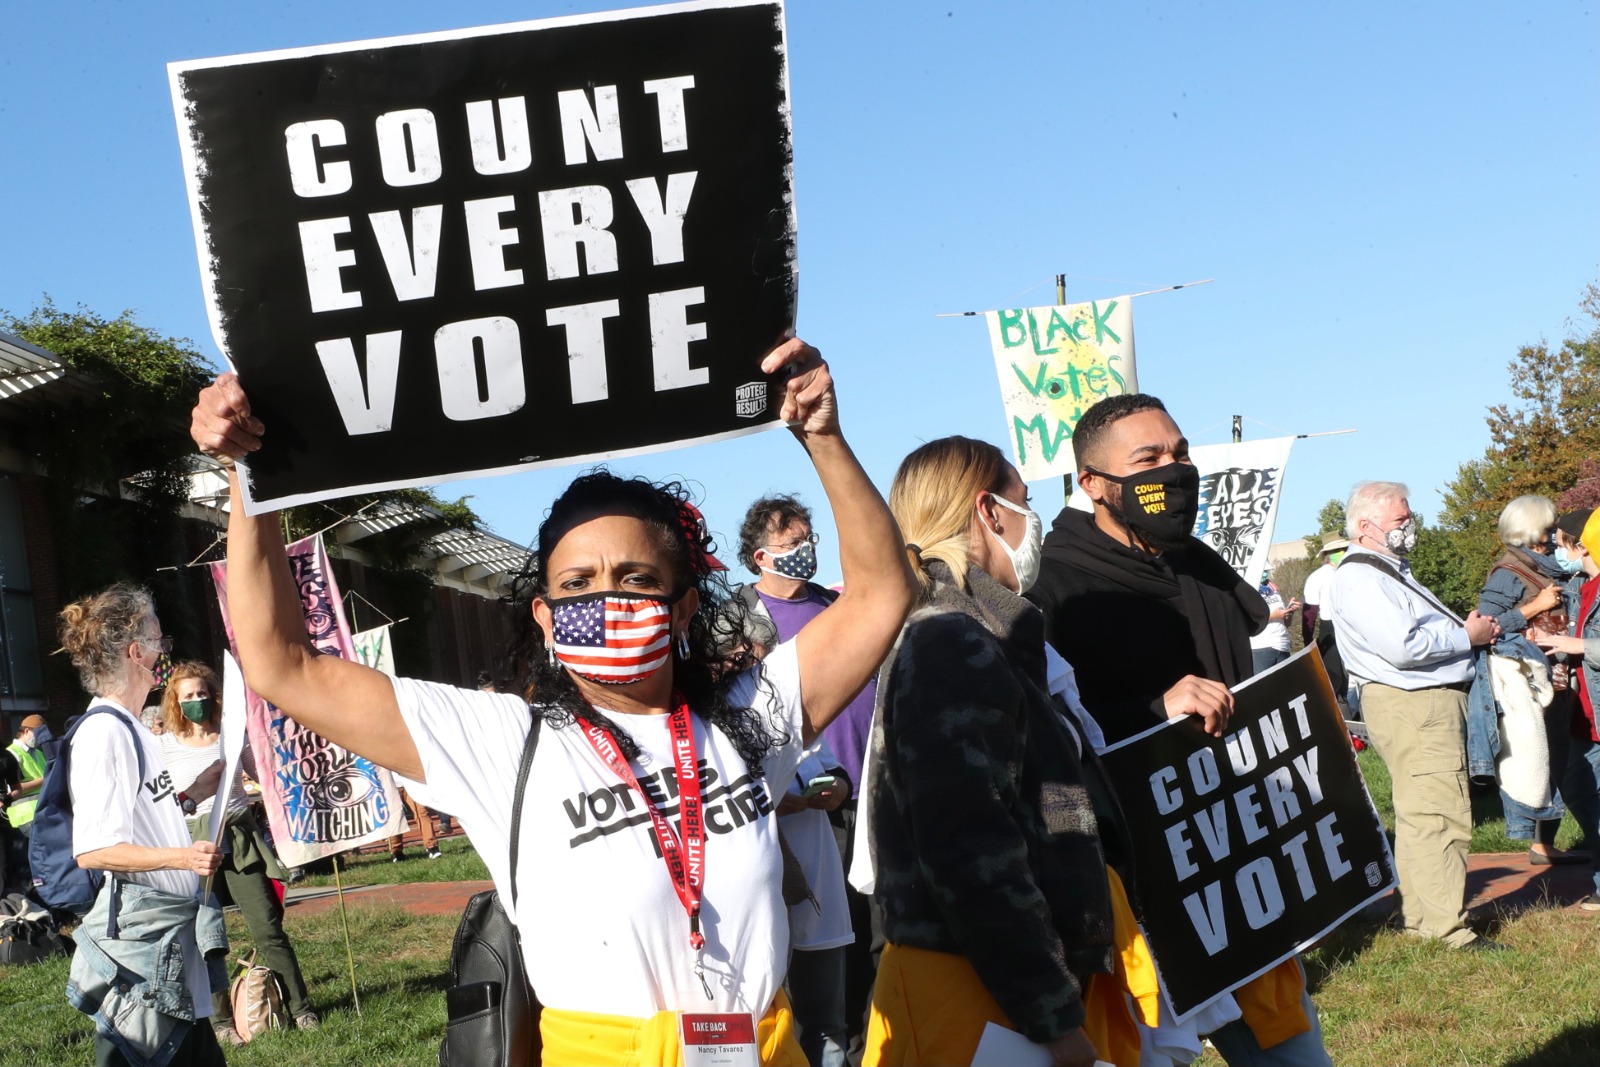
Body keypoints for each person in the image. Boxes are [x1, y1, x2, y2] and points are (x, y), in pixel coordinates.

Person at [189, 338, 916, 1066]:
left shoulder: (746, 720)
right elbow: (282, 662)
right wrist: (248, 477)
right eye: (576, 585)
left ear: (685, 605)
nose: (605, 600)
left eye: (634, 579)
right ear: (543, 615)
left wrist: (822, 437)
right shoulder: (502, 743)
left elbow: (881, 593)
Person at [1027, 394, 1332, 1065]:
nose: (1174, 470)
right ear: (1094, 484)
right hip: (1131, 886)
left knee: (1292, 1053)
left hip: (1234, 866)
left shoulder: (1197, 563)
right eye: (1148, 460)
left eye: (1181, 453)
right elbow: (1044, 736)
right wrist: (1149, 709)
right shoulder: (1054, 589)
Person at [864, 435, 1133, 1067]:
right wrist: (1053, 1016)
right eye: (1026, 502)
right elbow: (970, 850)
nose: (1032, 520)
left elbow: (1048, 800)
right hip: (983, 1001)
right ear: (988, 512)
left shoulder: (991, 630)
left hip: (1013, 984)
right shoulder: (949, 640)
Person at [732, 494, 878, 1060]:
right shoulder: (738, 617)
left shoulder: (836, 605)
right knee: (818, 937)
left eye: (808, 540)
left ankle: (866, 1042)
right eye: (792, 545)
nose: (805, 552)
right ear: (761, 556)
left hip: (862, 786)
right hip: (802, 805)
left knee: (866, 932)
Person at [1326, 481, 1502, 950]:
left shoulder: (1382, 571)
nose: (1410, 527)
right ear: (1366, 527)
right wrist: (1468, 637)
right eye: (1401, 521)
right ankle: (1448, 930)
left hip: (1416, 703)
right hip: (1416, 703)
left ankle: (1425, 920)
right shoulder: (1363, 577)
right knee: (1441, 812)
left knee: (1423, 813)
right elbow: (1403, 648)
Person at [57, 584, 227, 1067]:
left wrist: (197, 792)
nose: (164, 651)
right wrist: (183, 857)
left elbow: (143, 814)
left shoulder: (137, 730)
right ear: (136, 652)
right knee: (136, 1053)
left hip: (171, 945)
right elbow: (94, 849)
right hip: (143, 954)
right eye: (159, 641)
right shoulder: (103, 734)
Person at [160, 660, 318, 1042]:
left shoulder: (231, 735)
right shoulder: (163, 745)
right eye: (188, 696)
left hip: (241, 838)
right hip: (195, 844)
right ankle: (220, 1020)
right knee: (205, 935)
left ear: (214, 696)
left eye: (202, 693)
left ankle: (301, 1009)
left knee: (268, 927)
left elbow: (263, 774)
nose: (197, 701)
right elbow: (162, 802)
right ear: (175, 702)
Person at [1475, 494, 1584, 864]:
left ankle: (1543, 843)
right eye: (1550, 526)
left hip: (1561, 678)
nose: (1556, 533)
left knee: (1560, 758)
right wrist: (1533, 608)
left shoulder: (1552, 567)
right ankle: (1536, 840)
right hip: (1534, 683)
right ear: (1532, 530)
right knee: (1545, 760)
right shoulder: (1509, 573)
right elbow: (1484, 628)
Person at [1532, 510, 1600, 907]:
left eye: (1561, 542)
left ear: (1583, 544)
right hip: (1582, 714)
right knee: (1576, 789)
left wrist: (1582, 648)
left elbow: (1583, 644)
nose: (1556, 548)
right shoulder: (1579, 587)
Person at [775, 739, 853, 1067]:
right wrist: (763, 803)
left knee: (827, 1027)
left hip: (819, 889)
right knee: (771, 1028)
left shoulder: (796, 722)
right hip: (762, 901)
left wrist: (837, 789)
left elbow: (836, 774)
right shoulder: (709, 722)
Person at [1300, 537, 1353, 713]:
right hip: (1330, 628)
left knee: (1351, 674)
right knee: (1334, 675)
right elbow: (1310, 613)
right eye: (1340, 551)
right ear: (1329, 555)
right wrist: (1309, 642)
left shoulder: (1351, 572)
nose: (1344, 553)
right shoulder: (1318, 577)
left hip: (1351, 626)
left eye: (1346, 549)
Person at [5, 714, 48, 887]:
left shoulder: (37, 752)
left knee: (43, 864)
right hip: (25, 817)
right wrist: (44, 780)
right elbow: (9, 790)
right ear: (27, 731)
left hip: (42, 813)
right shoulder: (11, 754)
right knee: (33, 866)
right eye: (40, 733)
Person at [1250, 573, 1300, 674]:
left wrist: (1289, 612)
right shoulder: (1249, 587)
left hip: (1282, 645)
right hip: (1261, 648)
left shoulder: (1272, 588)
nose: (1265, 572)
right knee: (1263, 688)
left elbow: (1286, 623)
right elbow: (1247, 620)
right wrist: (1273, 616)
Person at [388, 785, 443, 861]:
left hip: (410, 784)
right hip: (391, 785)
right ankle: (396, 852)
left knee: (422, 812)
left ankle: (432, 847)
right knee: (394, 817)